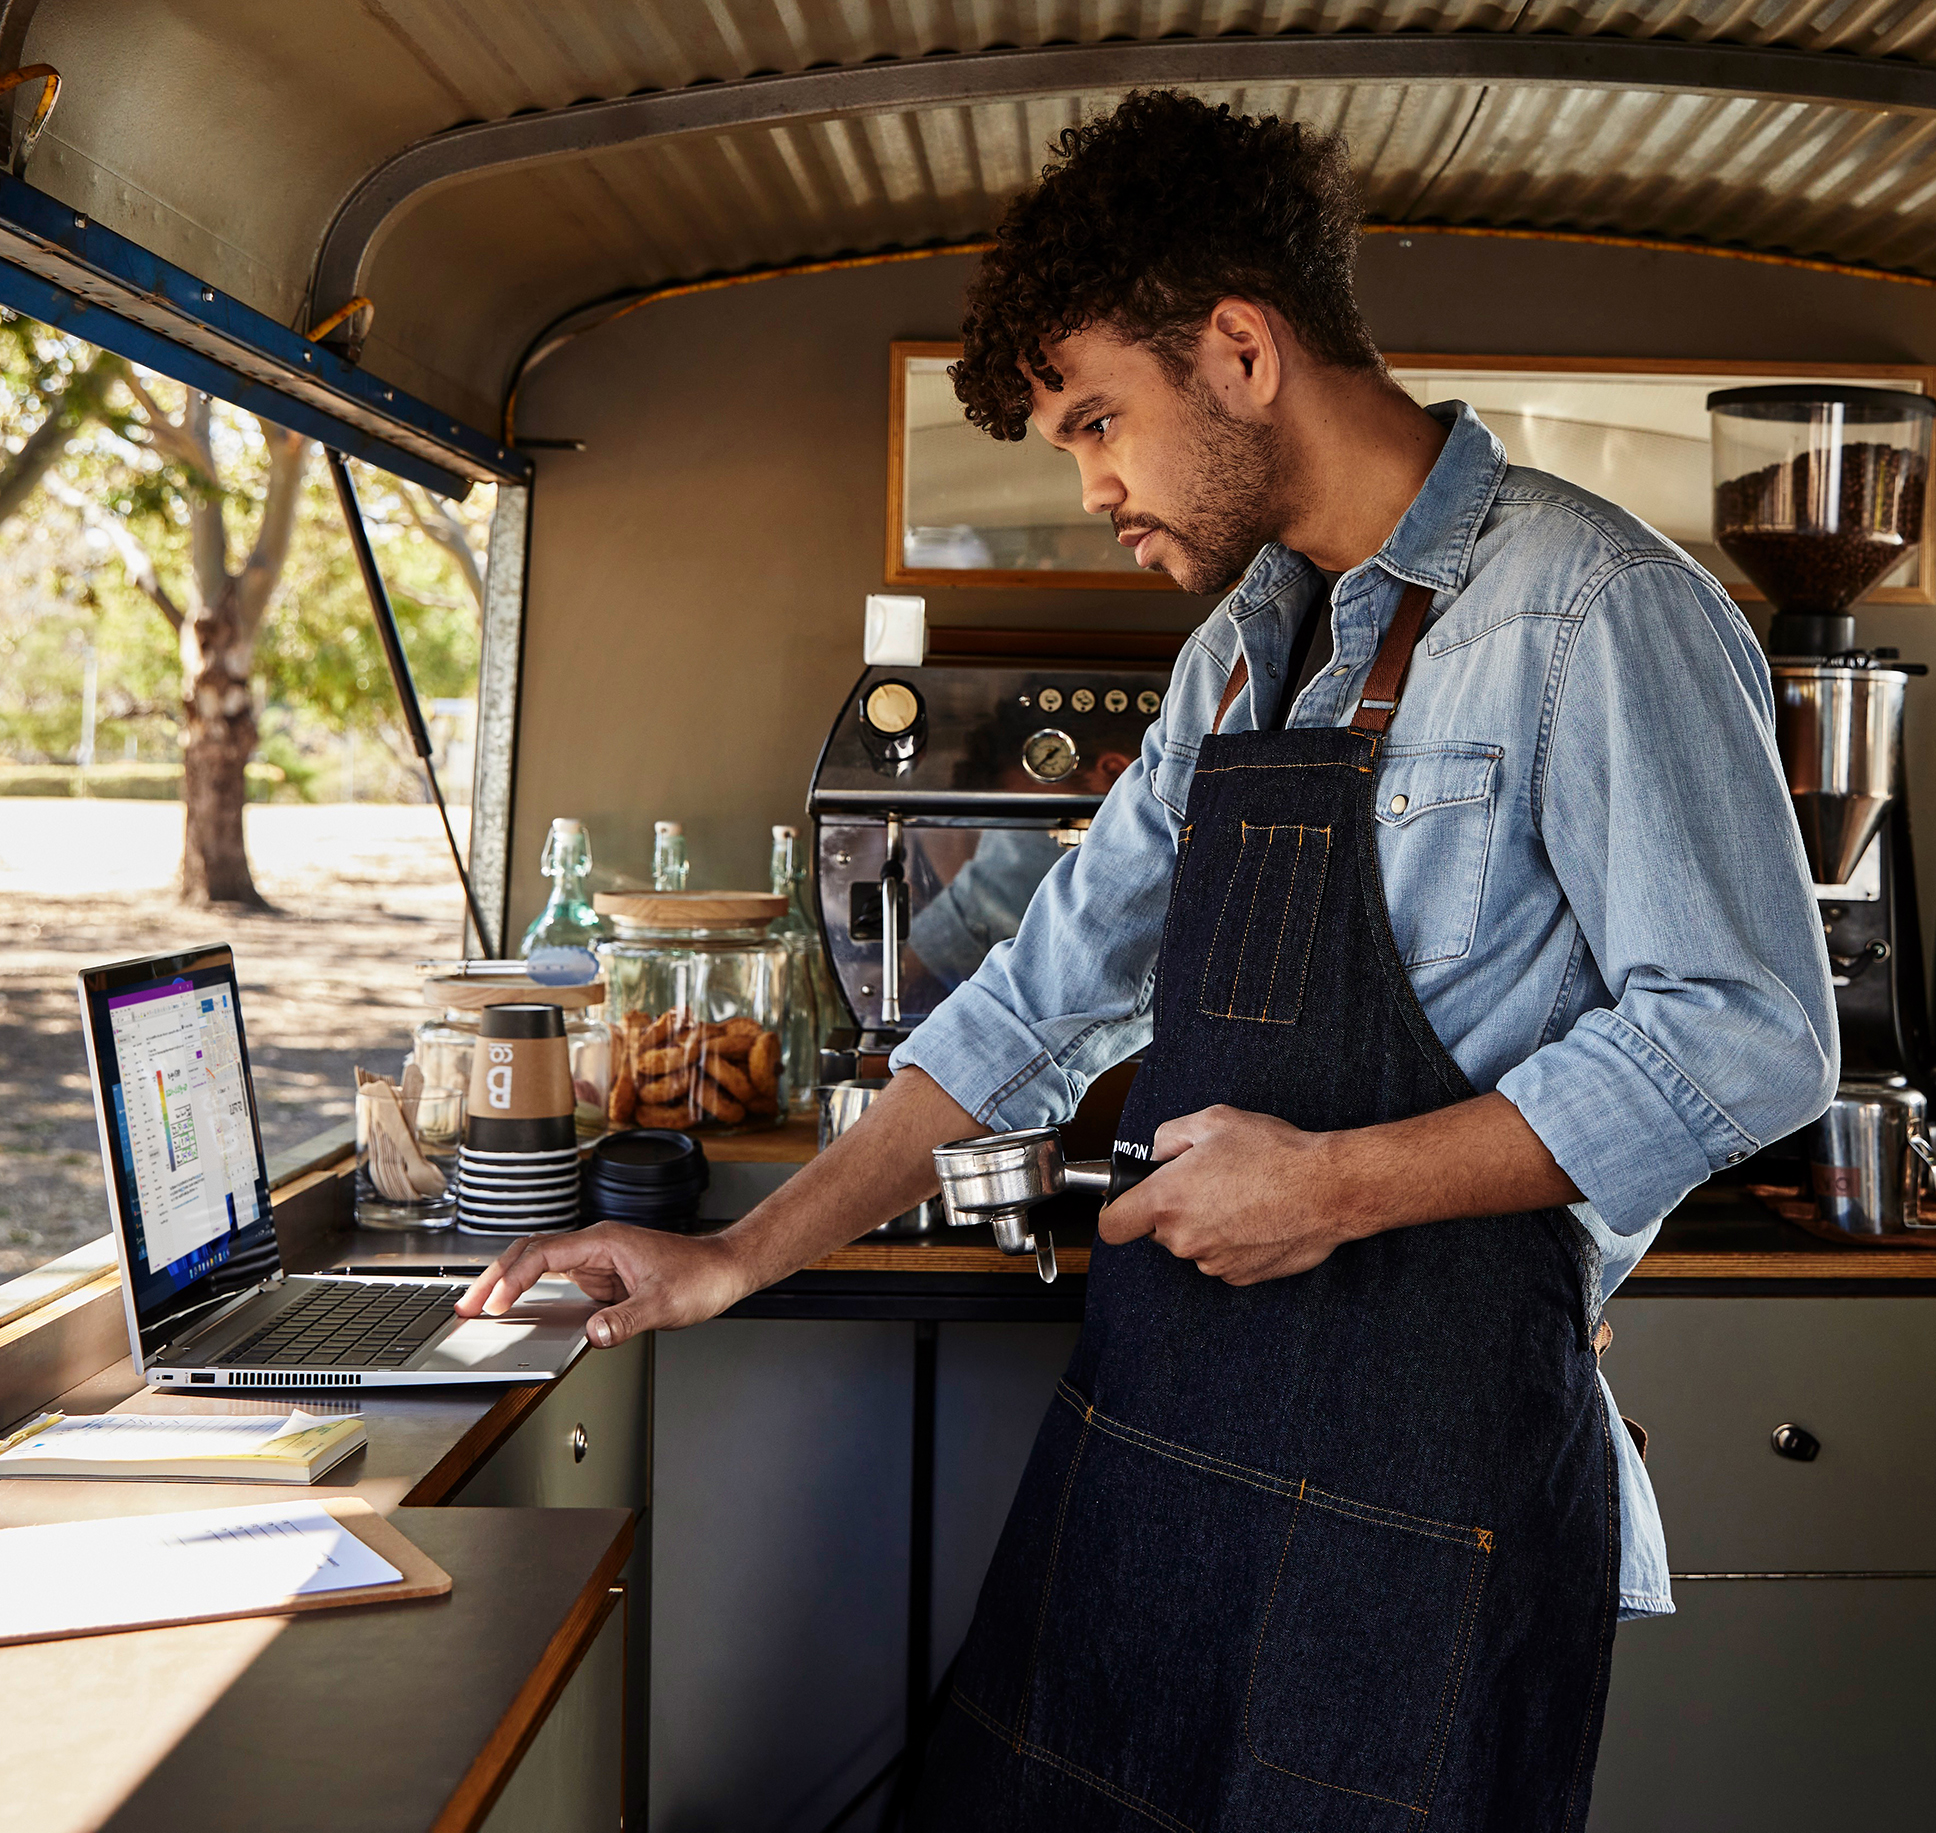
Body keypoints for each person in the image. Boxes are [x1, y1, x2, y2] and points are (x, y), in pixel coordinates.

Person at [458, 92, 1836, 1829]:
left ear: (1242, 350)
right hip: (1175, 1456)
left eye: (1101, 419)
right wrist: (735, 1257)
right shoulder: (1237, 663)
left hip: (1437, 1495)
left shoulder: (1592, 610)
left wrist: (1337, 1182)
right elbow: (1037, 1003)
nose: (1096, 486)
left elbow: (1755, 1036)